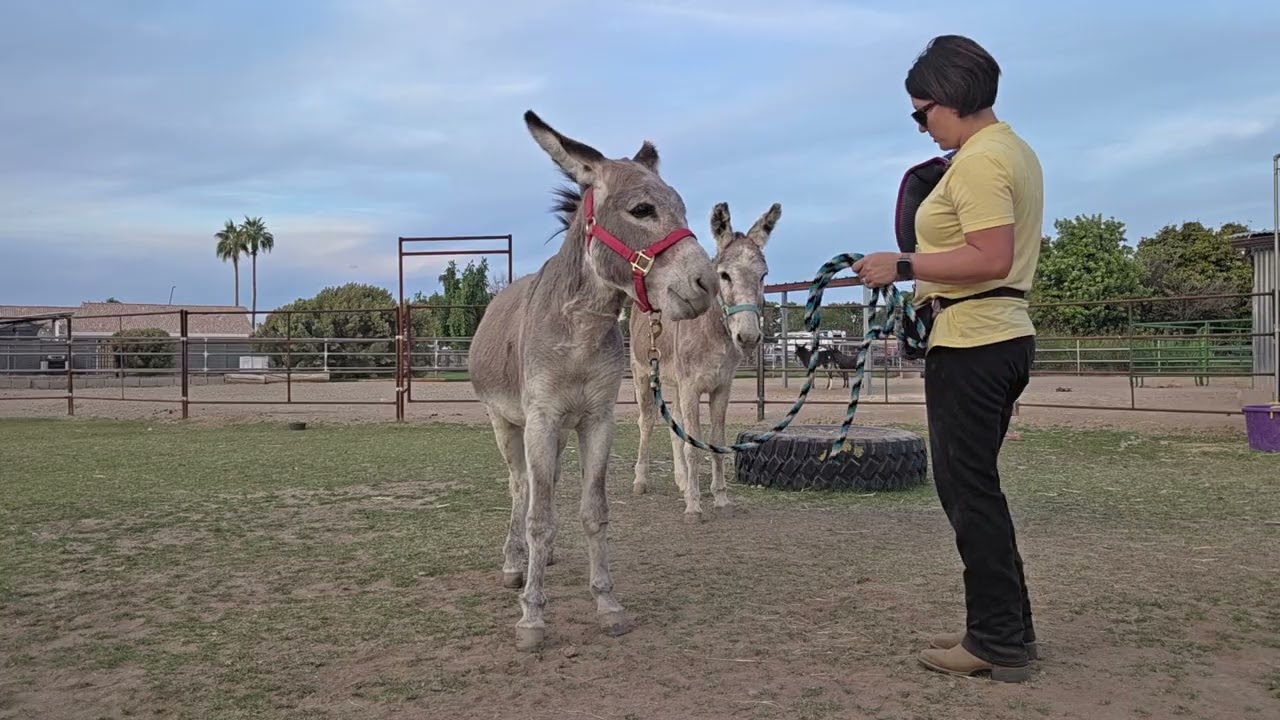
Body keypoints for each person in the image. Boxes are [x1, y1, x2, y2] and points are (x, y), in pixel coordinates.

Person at [851, 34, 1044, 683]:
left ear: (951, 97)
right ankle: (1009, 630)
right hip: (998, 333)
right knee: (977, 489)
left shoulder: (982, 162)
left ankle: (995, 641)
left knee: (967, 494)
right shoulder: (1008, 149)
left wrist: (901, 263)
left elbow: (989, 256)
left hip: (974, 341)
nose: (920, 125)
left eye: (921, 111)